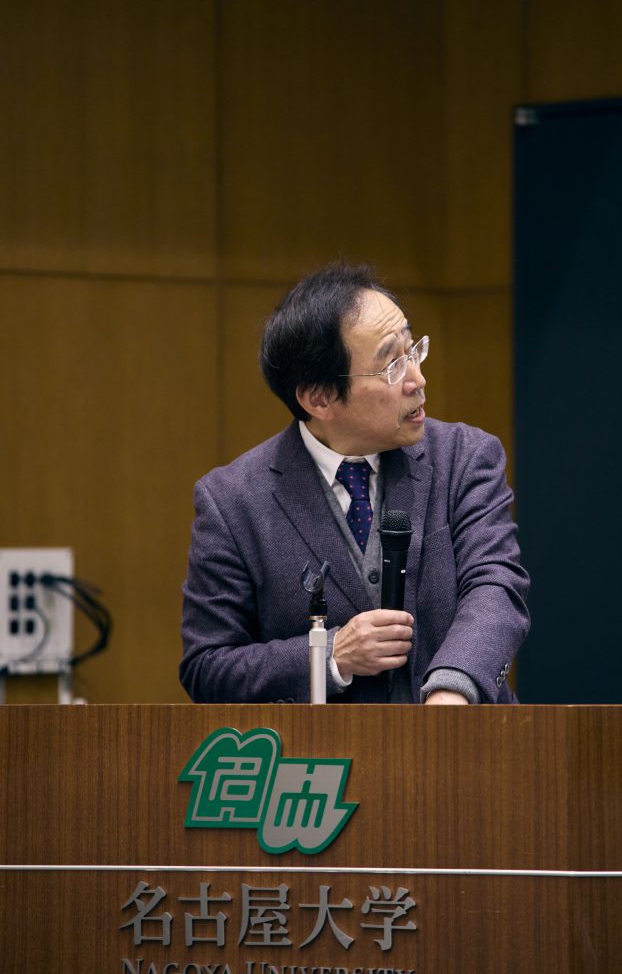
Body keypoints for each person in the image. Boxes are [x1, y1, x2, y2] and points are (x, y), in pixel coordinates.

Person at [180, 263, 529, 704]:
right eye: (392, 365)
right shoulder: (233, 502)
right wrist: (330, 657)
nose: (418, 380)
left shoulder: (464, 457)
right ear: (319, 398)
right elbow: (207, 667)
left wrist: (452, 687)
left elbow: (495, 585)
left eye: (413, 351)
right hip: (328, 764)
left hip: (467, 748)